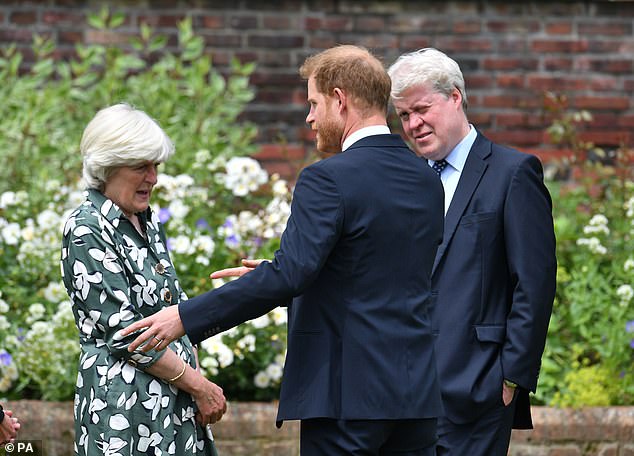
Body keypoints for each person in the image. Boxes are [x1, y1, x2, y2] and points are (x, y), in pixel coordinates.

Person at [122, 45, 445, 455]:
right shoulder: (425, 178)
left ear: (340, 100)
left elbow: (290, 275)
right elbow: (377, 271)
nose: (310, 118)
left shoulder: (326, 179)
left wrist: (184, 317)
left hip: (346, 399)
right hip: (416, 397)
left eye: (314, 103)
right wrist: (273, 275)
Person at [387, 48, 557, 455]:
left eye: (422, 109)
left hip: (477, 389)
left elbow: (533, 283)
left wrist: (512, 376)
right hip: (401, 393)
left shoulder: (513, 173)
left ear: (455, 97)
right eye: (404, 116)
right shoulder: (405, 181)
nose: (413, 124)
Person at [60, 103, 226, 456]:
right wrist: (199, 386)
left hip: (174, 407)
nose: (153, 177)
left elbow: (175, 311)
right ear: (107, 166)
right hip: (125, 410)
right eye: (141, 167)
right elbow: (126, 334)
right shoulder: (86, 228)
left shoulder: (144, 220)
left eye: (156, 166)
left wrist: (195, 381)